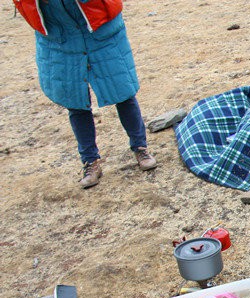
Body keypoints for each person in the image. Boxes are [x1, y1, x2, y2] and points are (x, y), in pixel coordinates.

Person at [14, 0, 157, 189]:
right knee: (76, 101)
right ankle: (90, 162)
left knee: (122, 91)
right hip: (60, 35)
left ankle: (140, 147)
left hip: (100, 29)